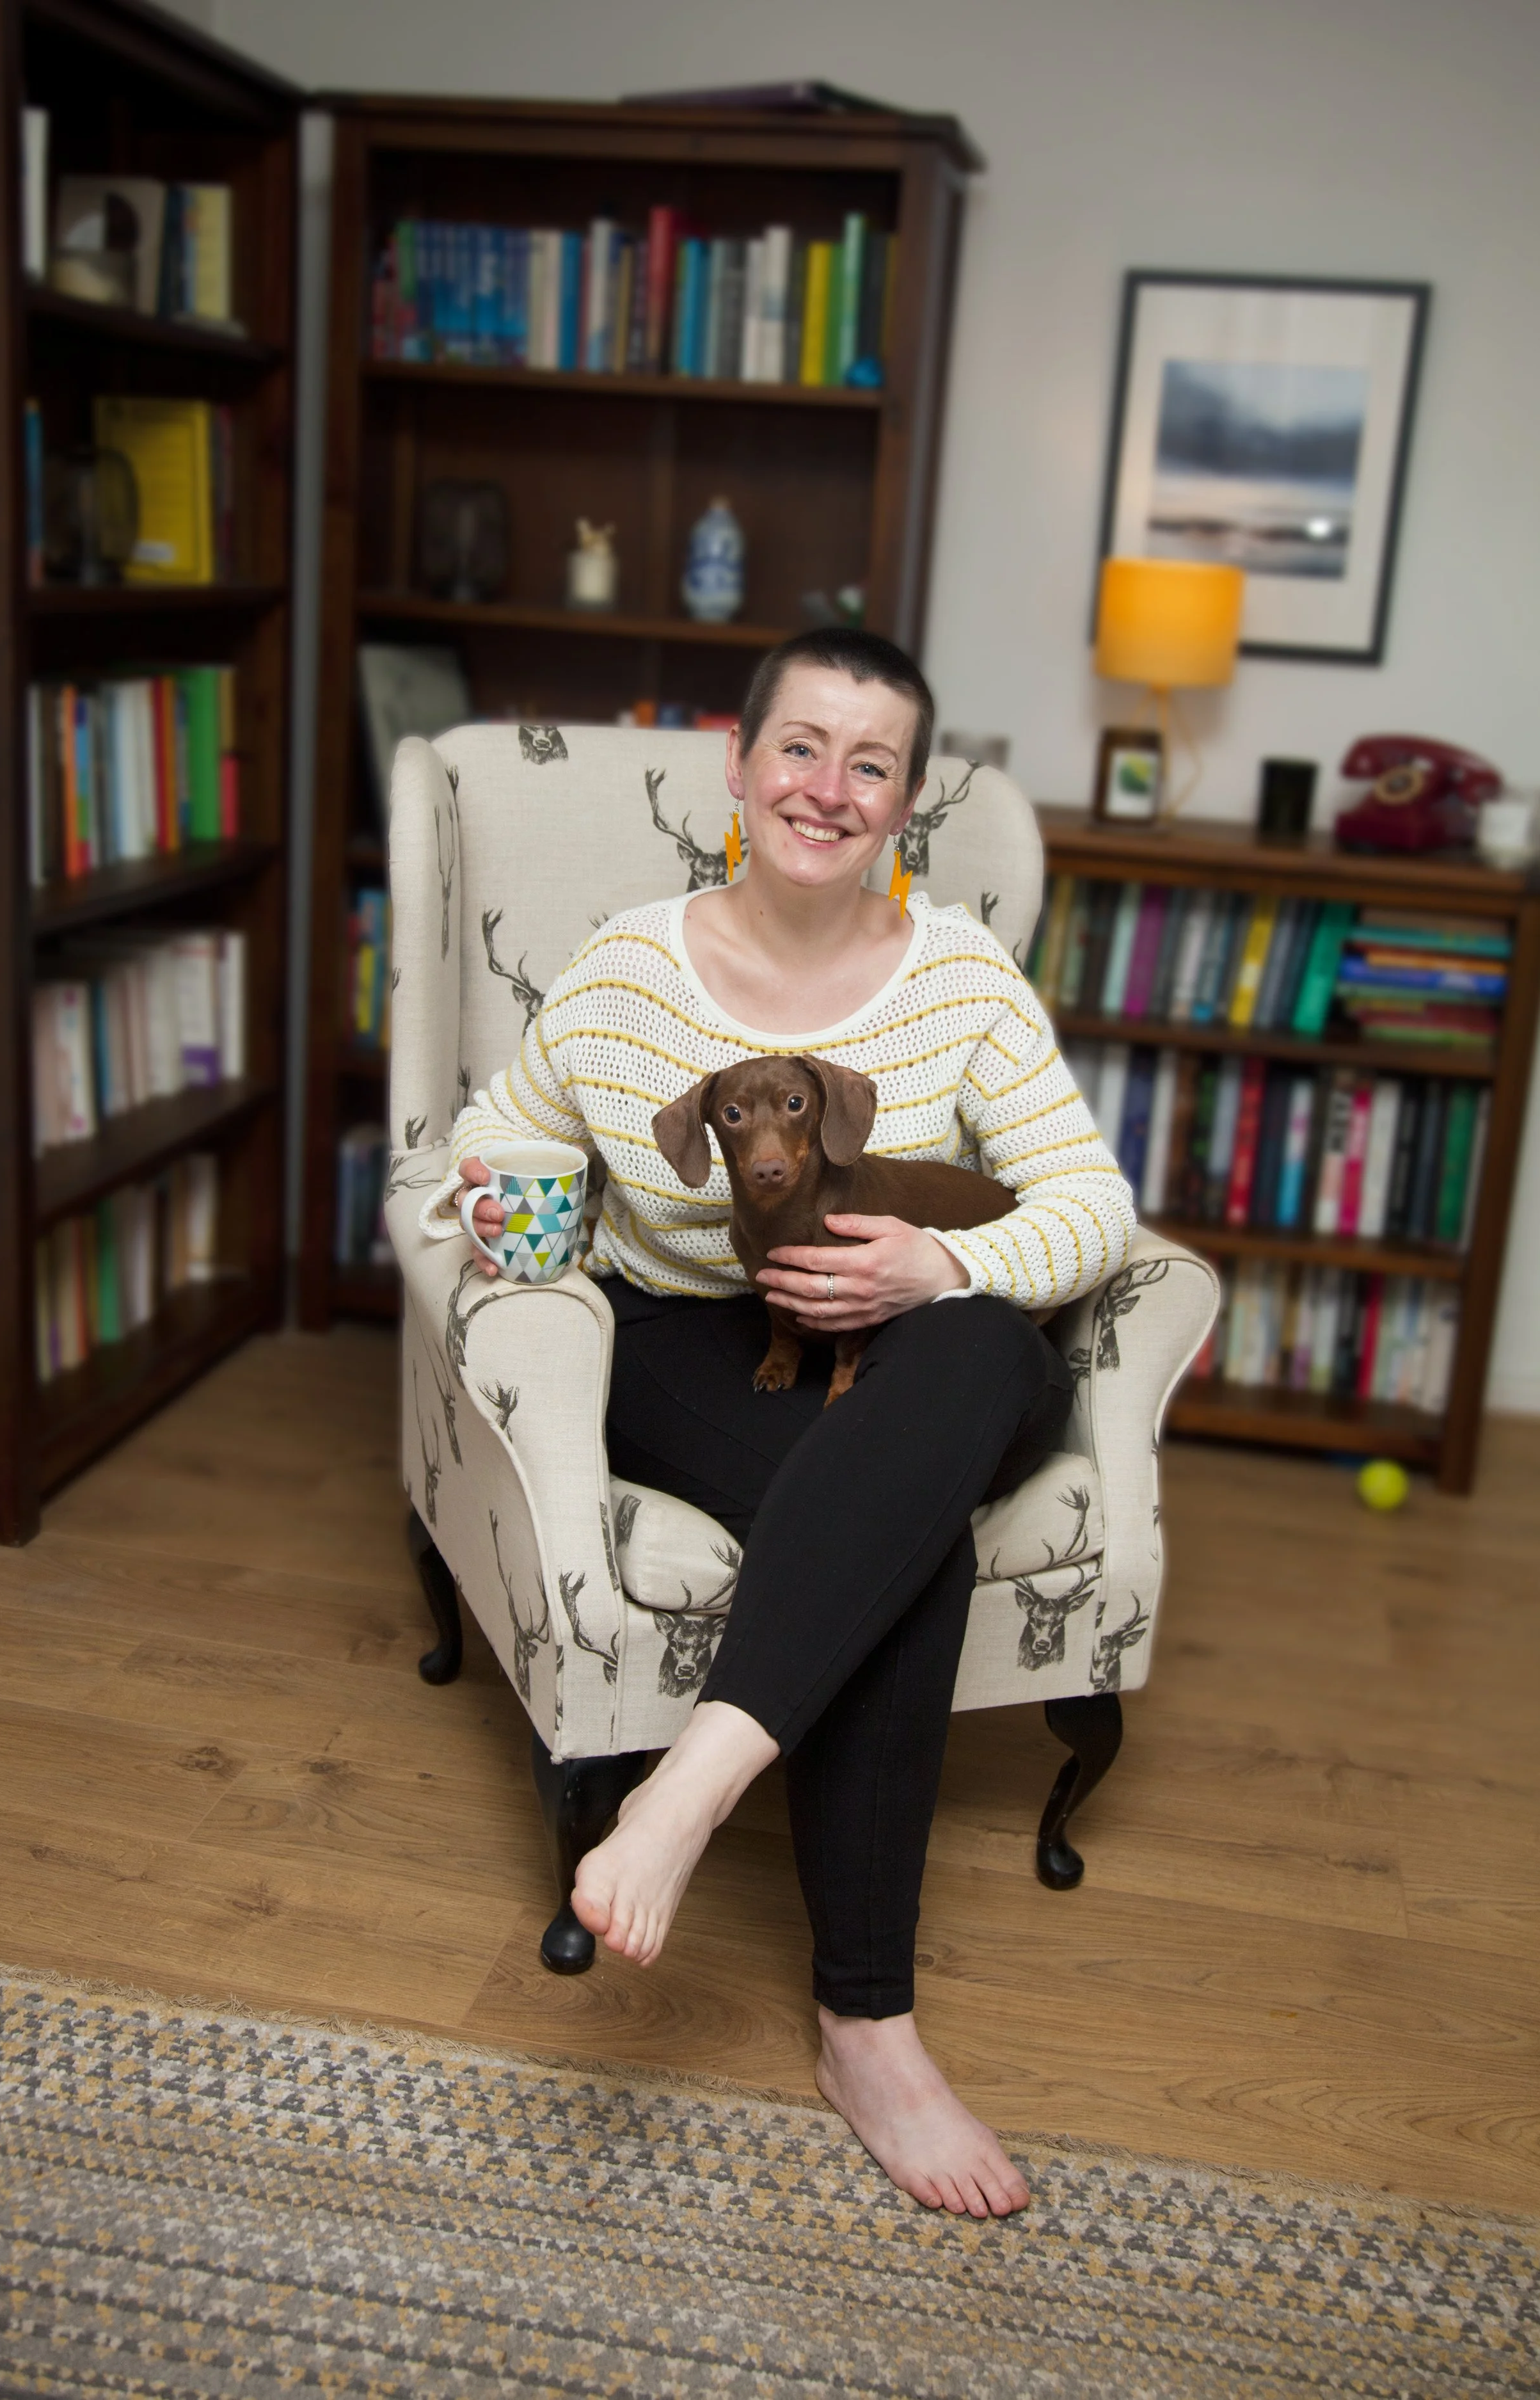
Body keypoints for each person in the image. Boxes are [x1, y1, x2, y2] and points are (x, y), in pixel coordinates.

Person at [420, 630, 1136, 2216]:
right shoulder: (621, 976)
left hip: (929, 1350)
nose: (829, 787)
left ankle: (678, 1795)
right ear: (737, 770)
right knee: (909, 1551)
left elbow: (1091, 1205)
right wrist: (507, 1228)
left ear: (901, 806)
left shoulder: (960, 975)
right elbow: (490, 1141)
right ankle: (866, 2026)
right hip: (694, 1345)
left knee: (964, 1363)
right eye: (800, 748)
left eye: (869, 762)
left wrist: (937, 1261)